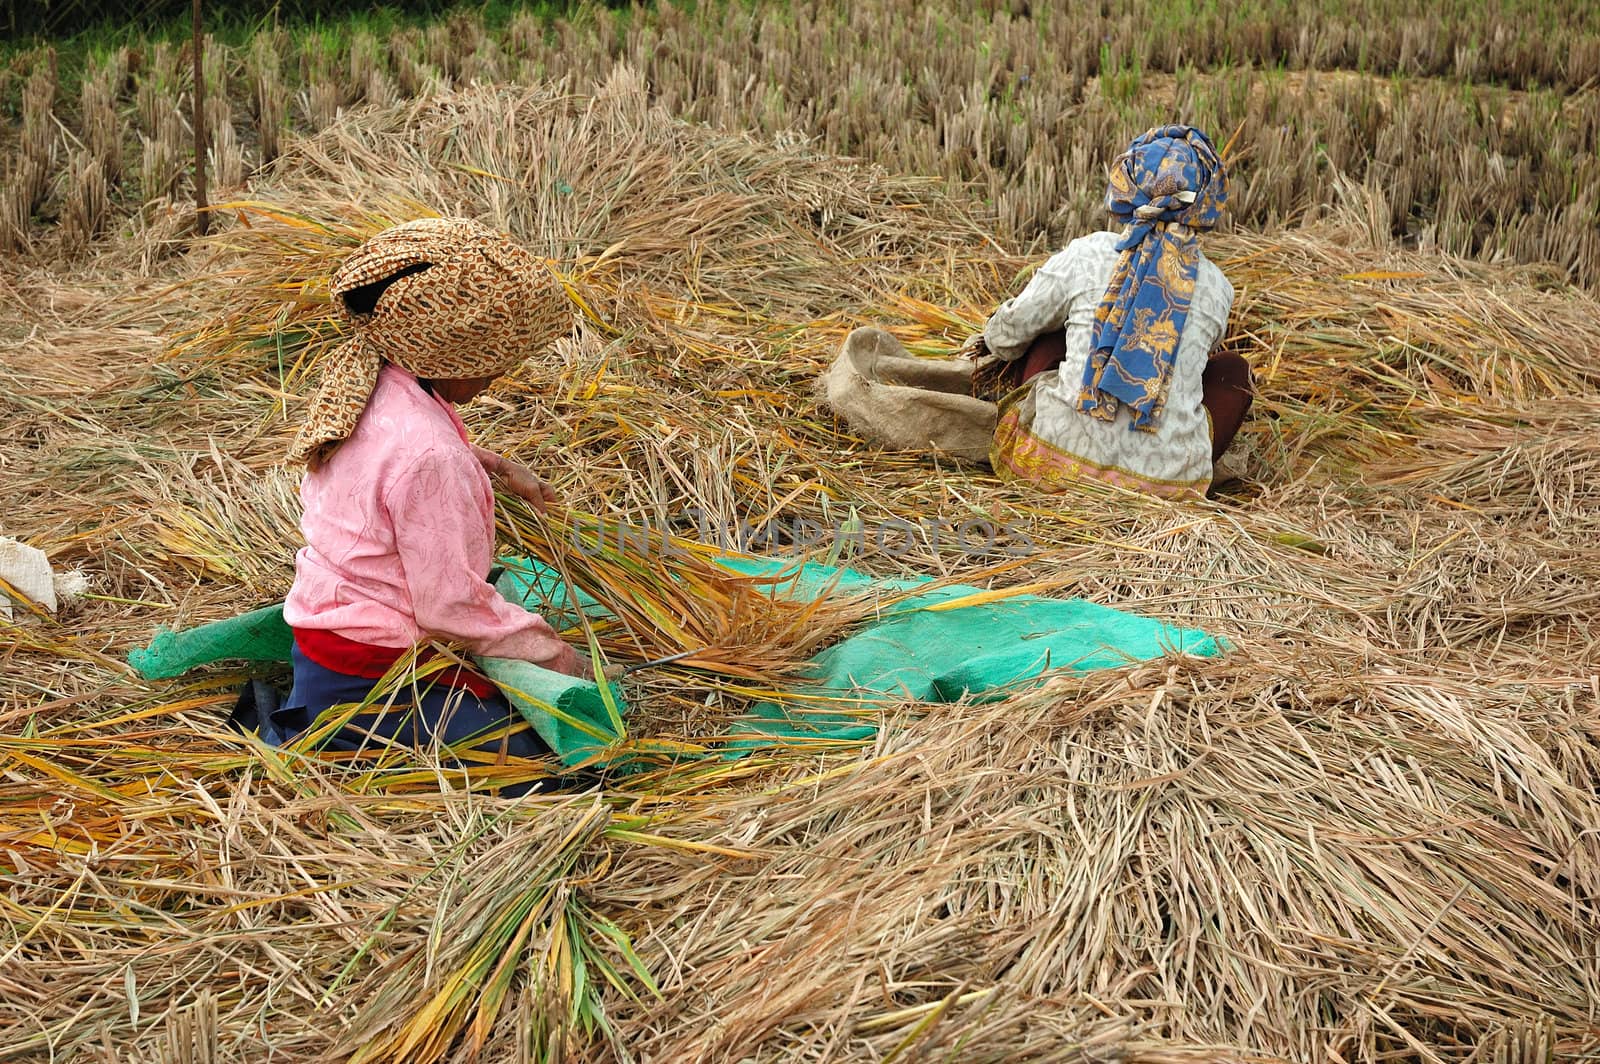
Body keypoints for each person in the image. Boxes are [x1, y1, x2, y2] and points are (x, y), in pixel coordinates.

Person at [262, 217, 585, 770]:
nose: (496, 378)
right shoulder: (430, 455)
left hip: (328, 625)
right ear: (450, 353)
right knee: (553, 752)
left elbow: (392, 462)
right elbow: (450, 607)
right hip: (372, 665)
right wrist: (555, 655)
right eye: (490, 365)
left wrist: (496, 464)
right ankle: (333, 728)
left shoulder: (372, 380)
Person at [975, 125, 1251, 498]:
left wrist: (992, 337)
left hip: (1055, 469)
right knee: (1234, 371)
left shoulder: (1087, 254)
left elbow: (1006, 337)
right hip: (1165, 493)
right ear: (1204, 198)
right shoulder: (1218, 287)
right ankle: (1155, 467)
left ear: (1128, 183)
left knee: (1053, 335)